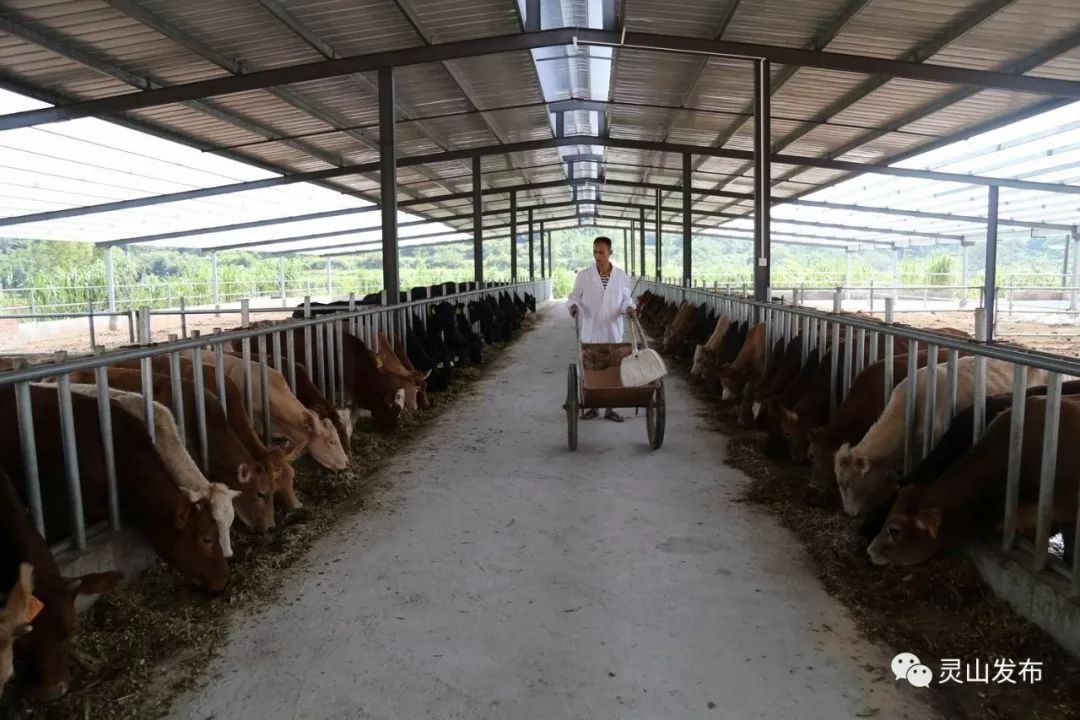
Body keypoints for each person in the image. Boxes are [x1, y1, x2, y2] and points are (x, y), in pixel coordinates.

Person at [568, 236, 636, 422]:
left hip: (613, 329)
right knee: (591, 368)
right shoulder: (584, 275)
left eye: (601, 252)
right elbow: (574, 296)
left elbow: (625, 300)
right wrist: (574, 306)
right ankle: (593, 407)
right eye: (595, 252)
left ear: (610, 253)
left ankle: (610, 409)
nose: (598, 256)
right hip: (591, 328)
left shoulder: (621, 276)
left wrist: (629, 308)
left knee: (612, 367)